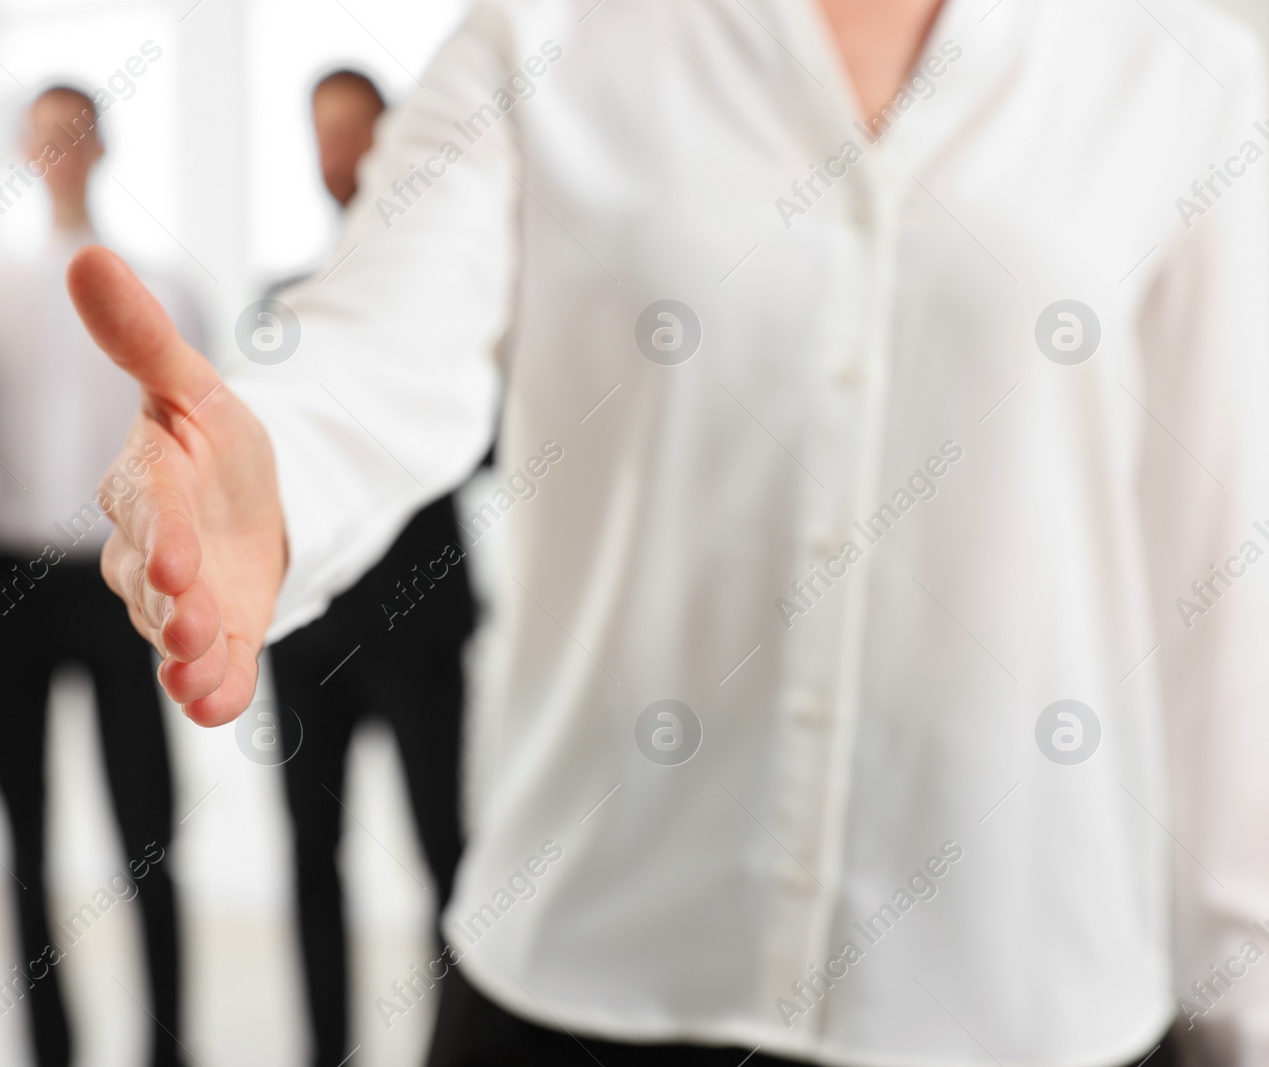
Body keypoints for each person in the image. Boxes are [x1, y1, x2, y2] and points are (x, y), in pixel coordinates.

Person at [68, 0, 1269, 1064]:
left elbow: (1221, 585)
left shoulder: (1186, 77)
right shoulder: (542, 38)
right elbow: (376, 354)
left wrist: (1244, 999)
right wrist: (265, 485)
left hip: (1026, 1003)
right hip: (577, 978)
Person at [0, 85, 208, 1067]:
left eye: (75, 133)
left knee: (146, 822)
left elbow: (190, 449)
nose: (59, 150)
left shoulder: (166, 289)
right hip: (8, 579)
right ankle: (48, 1049)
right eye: (43, 136)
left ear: (104, 146)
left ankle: (169, 1045)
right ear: (23, 150)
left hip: (117, 581)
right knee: (25, 837)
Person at [266, 68, 477, 1067]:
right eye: (324, 132)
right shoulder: (283, 302)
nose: (338, 149)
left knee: (447, 851)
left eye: (354, 128)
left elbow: (490, 438)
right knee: (313, 854)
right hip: (308, 631)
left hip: (419, 620)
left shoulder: (456, 295)